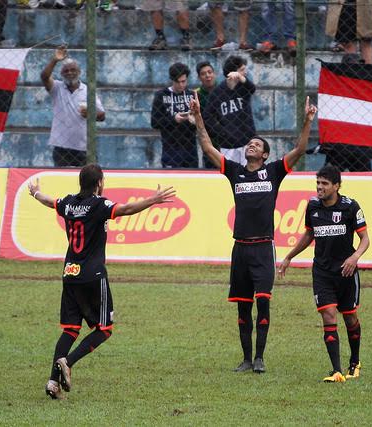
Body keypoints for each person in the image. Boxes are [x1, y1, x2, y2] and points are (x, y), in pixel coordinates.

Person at [191, 92, 318, 374]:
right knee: (242, 308)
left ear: (264, 155)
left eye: (257, 145)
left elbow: (298, 150)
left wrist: (308, 122)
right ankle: (246, 359)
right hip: (241, 248)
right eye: (250, 143)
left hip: (263, 248)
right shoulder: (235, 172)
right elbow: (208, 146)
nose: (251, 145)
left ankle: (260, 357)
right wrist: (198, 116)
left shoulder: (273, 172)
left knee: (263, 303)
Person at [27, 164, 176, 399]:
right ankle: (68, 362)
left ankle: (52, 382)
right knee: (104, 330)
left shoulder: (68, 203)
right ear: (99, 183)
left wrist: (35, 191)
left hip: (70, 273)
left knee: (70, 330)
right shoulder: (99, 204)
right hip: (93, 276)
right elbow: (126, 209)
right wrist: (153, 200)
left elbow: (48, 201)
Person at [278, 164, 369, 383]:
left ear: (337, 186)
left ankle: (355, 362)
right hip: (322, 272)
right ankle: (337, 371)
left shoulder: (350, 207)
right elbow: (309, 235)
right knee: (328, 314)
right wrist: (290, 256)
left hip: (346, 273)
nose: (320, 187)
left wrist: (354, 257)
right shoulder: (312, 207)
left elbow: (365, 239)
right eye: (318, 183)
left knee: (350, 317)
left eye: (325, 184)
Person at [41, 46, 106, 167]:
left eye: (73, 70)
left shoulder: (88, 90)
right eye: (66, 71)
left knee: (87, 179)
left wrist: (91, 114)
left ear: (79, 72)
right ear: (61, 74)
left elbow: (102, 115)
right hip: (62, 148)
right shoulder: (57, 88)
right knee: (62, 181)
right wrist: (55, 60)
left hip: (84, 147)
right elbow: (44, 77)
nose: (69, 73)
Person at [202, 55, 255, 165]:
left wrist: (242, 78)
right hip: (228, 145)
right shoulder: (217, 93)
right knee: (231, 175)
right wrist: (223, 133)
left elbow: (252, 89)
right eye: (241, 70)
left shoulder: (244, 87)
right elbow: (207, 118)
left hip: (247, 142)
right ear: (232, 73)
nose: (245, 73)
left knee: (249, 173)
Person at [151, 62, 198, 168]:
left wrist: (195, 120)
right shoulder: (161, 95)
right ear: (172, 80)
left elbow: (203, 118)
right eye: (178, 82)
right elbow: (154, 122)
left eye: (184, 81)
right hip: (170, 148)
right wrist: (174, 119)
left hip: (190, 148)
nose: (181, 85)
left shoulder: (192, 94)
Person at [326, 0, 372, 64]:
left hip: (365, 5)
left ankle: (367, 72)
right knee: (348, 43)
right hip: (344, 5)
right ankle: (351, 72)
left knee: (366, 42)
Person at [195, 61, 220, 168]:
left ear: (214, 74)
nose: (207, 75)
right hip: (209, 140)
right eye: (203, 73)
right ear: (199, 77)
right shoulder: (197, 94)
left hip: (227, 140)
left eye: (210, 72)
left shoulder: (223, 90)